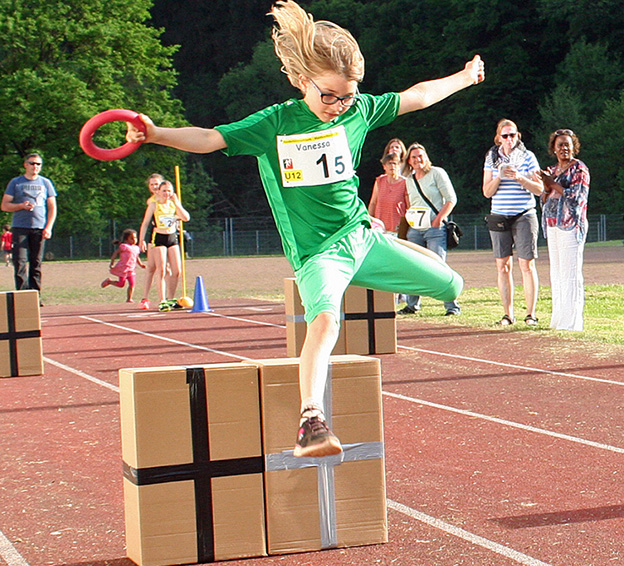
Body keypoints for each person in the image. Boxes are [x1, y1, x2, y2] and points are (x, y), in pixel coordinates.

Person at [125, 0, 483, 457]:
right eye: (329, 95)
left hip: (362, 237)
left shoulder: (360, 111)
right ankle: (311, 419)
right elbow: (211, 138)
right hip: (320, 254)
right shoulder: (275, 123)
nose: (338, 106)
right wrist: (157, 134)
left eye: (348, 96)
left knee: (453, 283)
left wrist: (465, 77)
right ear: (301, 81)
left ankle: (384, 254)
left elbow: (419, 94)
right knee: (325, 321)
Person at [482, 119, 544, 326]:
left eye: (513, 135)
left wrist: (519, 177)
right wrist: (499, 176)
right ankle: (508, 314)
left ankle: (531, 314)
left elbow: (539, 189)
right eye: (505, 136)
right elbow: (486, 192)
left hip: (524, 214)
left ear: (518, 136)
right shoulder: (491, 158)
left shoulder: (528, 157)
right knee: (503, 266)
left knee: (526, 263)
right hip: (499, 215)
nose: (509, 139)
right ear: (498, 138)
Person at [399, 143, 463, 317]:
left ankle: (452, 306)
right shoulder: (409, 180)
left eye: (420, 155)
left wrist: (439, 219)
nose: (418, 159)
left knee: (438, 266)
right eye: (414, 157)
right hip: (415, 229)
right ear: (409, 161)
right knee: (413, 266)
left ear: (426, 156)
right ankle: (412, 305)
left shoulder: (437, 173)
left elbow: (451, 199)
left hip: (435, 228)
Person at [538, 129, 590, 331]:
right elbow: (544, 198)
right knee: (557, 273)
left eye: (567, 144)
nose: (564, 148)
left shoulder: (579, 169)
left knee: (570, 273)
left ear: (574, 146)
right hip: (552, 224)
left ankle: (572, 323)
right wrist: (545, 184)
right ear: (553, 148)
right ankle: (558, 320)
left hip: (571, 225)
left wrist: (553, 184)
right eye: (559, 145)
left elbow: (576, 197)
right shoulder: (552, 170)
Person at [0, 153, 57, 305]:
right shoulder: (16, 183)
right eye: (32, 163)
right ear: (25, 165)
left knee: (36, 263)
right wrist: (20, 206)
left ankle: (35, 296)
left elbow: (52, 207)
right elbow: (4, 205)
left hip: (38, 228)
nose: (35, 166)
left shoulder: (45, 183)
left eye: (38, 164)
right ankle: (22, 297)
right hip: (20, 228)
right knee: (20, 262)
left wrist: (48, 227)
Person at [138, 180, 190, 311]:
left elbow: (186, 217)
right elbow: (145, 224)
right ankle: (162, 300)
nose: (167, 193)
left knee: (177, 270)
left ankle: (171, 298)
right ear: (159, 192)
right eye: (164, 191)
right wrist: (141, 240)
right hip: (159, 238)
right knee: (161, 269)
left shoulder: (173, 205)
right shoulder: (154, 205)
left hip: (172, 238)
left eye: (169, 190)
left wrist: (177, 203)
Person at [138, 173, 165, 310]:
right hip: (155, 236)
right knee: (152, 267)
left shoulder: (170, 198)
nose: (154, 186)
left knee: (167, 269)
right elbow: (146, 222)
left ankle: (167, 296)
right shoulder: (152, 201)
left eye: (157, 184)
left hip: (169, 235)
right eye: (152, 184)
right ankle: (146, 298)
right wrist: (141, 240)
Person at [368, 152, 408, 235]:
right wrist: (369, 220)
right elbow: (373, 203)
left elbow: (409, 206)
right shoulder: (380, 181)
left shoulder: (405, 183)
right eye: (389, 163)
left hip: (397, 228)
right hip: (380, 227)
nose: (392, 166)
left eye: (395, 163)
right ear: (384, 166)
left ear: (399, 166)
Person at [102, 228, 146, 302]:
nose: (134, 240)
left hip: (131, 269)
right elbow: (115, 253)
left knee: (132, 284)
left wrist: (141, 264)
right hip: (123, 269)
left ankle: (129, 298)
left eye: (135, 238)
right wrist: (112, 262)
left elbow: (136, 257)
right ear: (126, 239)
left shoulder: (136, 248)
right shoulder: (124, 246)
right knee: (121, 284)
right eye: (131, 238)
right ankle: (109, 281)